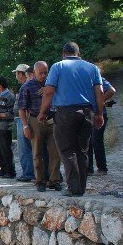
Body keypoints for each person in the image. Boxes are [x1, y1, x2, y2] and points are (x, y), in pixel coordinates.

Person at [38, 42, 104, 197]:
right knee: (82, 150)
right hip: (86, 112)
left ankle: (73, 188)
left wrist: (42, 112)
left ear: (63, 54)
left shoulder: (58, 67)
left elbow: (49, 92)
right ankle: (81, 187)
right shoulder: (92, 68)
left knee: (67, 150)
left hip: (65, 113)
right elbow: (100, 92)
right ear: (78, 54)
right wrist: (99, 113)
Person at [19, 61, 62, 192]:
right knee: (37, 152)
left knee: (55, 152)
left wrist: (50, 91)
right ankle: (40, 181)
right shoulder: (27, 86)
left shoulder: (52, 84)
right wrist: (25, 126)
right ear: (34, 73)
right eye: (41, 73)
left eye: (45, 72)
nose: (44, 75)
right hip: (35, 120)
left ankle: (54, 180)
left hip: (52, 119)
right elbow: (22, 108)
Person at [88, 76, 116, 176]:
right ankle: (89, 169)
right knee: (88, 141)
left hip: (98, 114)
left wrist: (99, 101)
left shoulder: (96, 78)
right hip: (87, 114)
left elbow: (111, 90)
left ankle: (102, 168)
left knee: (96, 140)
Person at [12, 64, 34, 182]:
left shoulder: (25, 86)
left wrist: (25, 124)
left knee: (24, 148)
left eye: (16, 74)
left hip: (23, 121)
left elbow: (23, 107)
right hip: (23, 120)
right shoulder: (29, 85)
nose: (16, 76)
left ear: (21, 74)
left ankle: (28, 173)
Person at [0, 76, 16, 179]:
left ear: (0, 86)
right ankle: (3, 170)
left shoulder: (9, 96)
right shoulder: (0, 95)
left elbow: (12, 113)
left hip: (6, 128)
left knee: (6, 150)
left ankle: (10, 172)